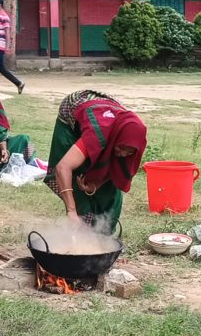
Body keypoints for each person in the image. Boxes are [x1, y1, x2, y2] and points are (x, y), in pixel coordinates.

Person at [43, 90, 147, 234]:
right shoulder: (97, 134)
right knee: (77, 176)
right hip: (72, 111)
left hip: (107, 113)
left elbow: (116, 169)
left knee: (111, 189)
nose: (123, 154)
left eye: (129, 152)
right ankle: (82, 230)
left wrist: (96, 184)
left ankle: (104, 237)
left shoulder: (130, 141)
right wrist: (71, 211)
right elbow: (63, 167)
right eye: (121, 148)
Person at [0, 0, 25, 94]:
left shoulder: (4, 16)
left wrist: (7, 46)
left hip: (0, 44)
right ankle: (19, 83)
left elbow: (7, 32)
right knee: (0, 68)